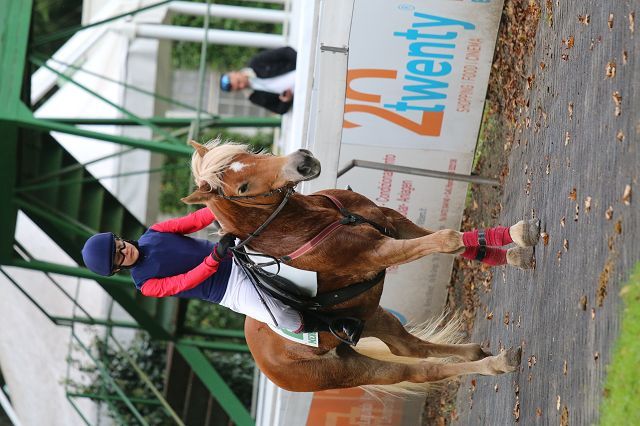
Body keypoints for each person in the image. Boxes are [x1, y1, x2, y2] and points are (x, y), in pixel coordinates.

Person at [81, 207, 362, 343]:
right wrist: (213, 259)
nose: (124, 250)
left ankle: (341, 222)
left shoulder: (153, 232)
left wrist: (219, 208)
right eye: (119, 256)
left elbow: (193, 221)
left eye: (119, 244)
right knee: (279, 316)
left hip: (234, 252)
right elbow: (185, 282)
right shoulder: (145, 285)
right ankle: (335, 325)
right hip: (229, 288)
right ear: (117, 269)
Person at [219, 46, 296, 114]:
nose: (242, 86)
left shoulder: (256, 62)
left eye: (239, 82)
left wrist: (301, 65)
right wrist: (286, 100)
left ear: (235, 72)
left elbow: (286, 52)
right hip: (298, 94)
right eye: (238, 89)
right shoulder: (253, 97)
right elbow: (279, 109)